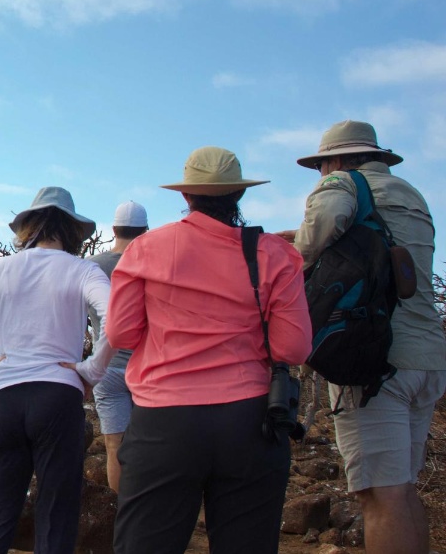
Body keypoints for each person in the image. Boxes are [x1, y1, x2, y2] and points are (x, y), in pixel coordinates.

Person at [106, 147, 312, 554]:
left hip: (163, 423)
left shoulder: (146, 248)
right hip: (251, 422)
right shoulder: (274, 253)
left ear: (186, 195)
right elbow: (294, 347)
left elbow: (123, 334)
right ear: (239, 193)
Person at [278, 120, 445, 554]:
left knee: (379, 496)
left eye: (321, 165)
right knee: (401, 488)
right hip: (427, 354)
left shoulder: (342, 183)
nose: (320, 174)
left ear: (336, 159)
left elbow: (324, 224)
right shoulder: (412, 195)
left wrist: (294, 251)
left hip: (374, 362)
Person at [0, 186, 114, 554]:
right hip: (58, 395)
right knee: (57, 509)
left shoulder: (1, 268)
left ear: (28, 227)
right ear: (73, 230)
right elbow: (115, 319)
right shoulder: (84, 271)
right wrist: (90, 371)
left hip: (5, 397)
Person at [87, 200, 148, 493]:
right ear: (145, 230)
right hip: (147, 369)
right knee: (151, 445)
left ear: (113, 229)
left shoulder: (92, 266)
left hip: (106, 368)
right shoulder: (152, 265)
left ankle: (122, 512)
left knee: (114, 445)